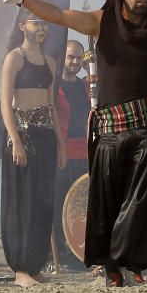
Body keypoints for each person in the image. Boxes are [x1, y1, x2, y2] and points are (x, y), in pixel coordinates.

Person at [0, 0, 147, 287]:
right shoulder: (100, 22)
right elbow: (58, 14)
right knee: (111, 199)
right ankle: (114, 266)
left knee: (142, 198)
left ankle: (136, 262)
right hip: (110, 126)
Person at [0, 12, 64, 287]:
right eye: (35, 22)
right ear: (22, 26)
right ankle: (21, 268)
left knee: (42, 200)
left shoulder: (50, 61)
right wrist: (15, 139)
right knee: (22, 200)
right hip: (22, 133)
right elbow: (5, 103)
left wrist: (60, 143)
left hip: (45, 133)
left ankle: (35, 264)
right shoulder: (14, 57)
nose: (40, 26)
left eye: (43, 21)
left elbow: (52, 107)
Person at [53, 39, 90, 268]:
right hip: (63, 152)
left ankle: (80, 252)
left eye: (79, 57)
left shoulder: (87, 86)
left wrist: (90, 68)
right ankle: (59, 255)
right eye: (70, 57)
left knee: (82, 206)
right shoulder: (54, 86)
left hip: (86, 152)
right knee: (60, 205)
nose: (74, 61)